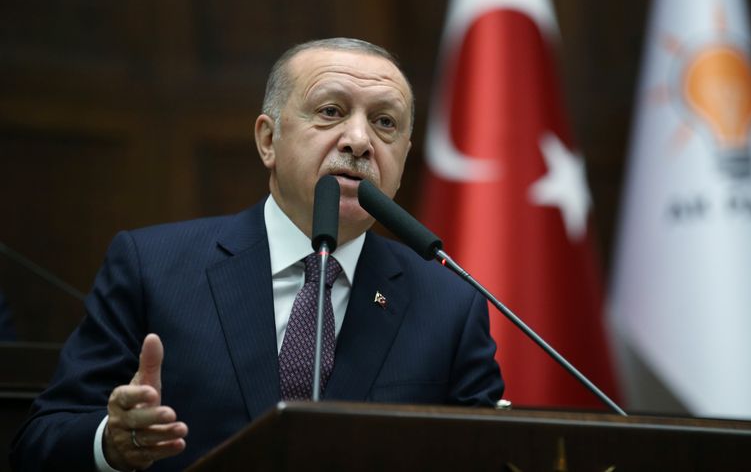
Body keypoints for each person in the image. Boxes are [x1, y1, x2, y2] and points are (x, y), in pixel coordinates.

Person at [10, 38, 504, 471]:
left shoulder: (448, 305)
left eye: (384, 123)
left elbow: (489, 457)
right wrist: (113, 445)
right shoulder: (152, 266)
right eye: (331, 112)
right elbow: (40, 442)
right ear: (268, 139)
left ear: (402, 159)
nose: (359, 140)